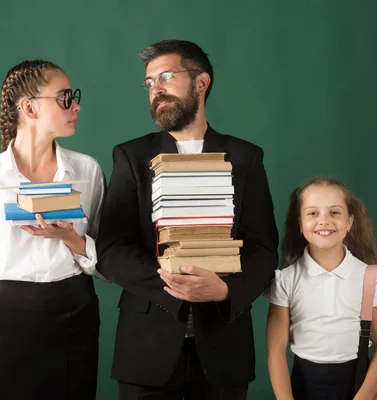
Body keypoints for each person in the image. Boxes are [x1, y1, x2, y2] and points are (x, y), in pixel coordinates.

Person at [96, 40, 279, 399]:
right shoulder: (131, 157)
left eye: (166, 76)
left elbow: (265, 249)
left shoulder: (245, 158)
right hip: (145, 348)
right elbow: (111, 248)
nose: (156, 89)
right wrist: (176, 285)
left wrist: (226, 290)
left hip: (224, 347)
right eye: (149, 83)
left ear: (201, 82)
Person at [0, 60, 105, 400]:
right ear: (29, 107)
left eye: (73, 96)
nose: (75, 105)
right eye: (64, 97)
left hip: (75, 313)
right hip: (11, 318)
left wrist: (70, 238)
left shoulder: (88, 171)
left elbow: (106, 260)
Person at [265, 177, 377, 400]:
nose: (324, 221)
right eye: (313, 213)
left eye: (335, 212)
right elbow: (276, 350)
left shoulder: (373, 278)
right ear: (300, 223)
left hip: (359, 386)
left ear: (350, 221)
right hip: (302, 386)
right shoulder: (285, 279)